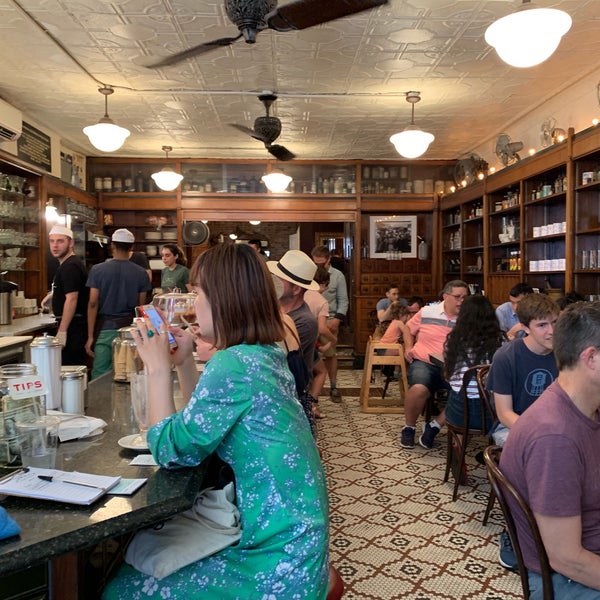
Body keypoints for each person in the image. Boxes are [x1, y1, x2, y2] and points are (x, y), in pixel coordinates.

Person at [103, 243, 329, 599]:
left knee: (122, 589)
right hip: (300, 545)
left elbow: (172, 450)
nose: (194, 305)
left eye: (197, 293)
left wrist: (159, 368)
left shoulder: (234, 363)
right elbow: (202, 428)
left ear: (224, 299)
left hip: (279, 565)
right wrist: (184, 364)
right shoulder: (262, 354)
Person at [500, 301, 600, 599]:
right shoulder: (555, 438)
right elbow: (567, 558)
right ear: (591, 358)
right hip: (569, 577)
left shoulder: (585, 408)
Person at [486, 292, 560, 570]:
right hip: (513, 426)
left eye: (554, 323)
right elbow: (504, 414)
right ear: (525, 327)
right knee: (539, 458)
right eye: (542, 325)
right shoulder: (507, 355)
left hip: (556, 428)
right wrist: (542, 434)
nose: (551, 331)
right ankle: (513, 529)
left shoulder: (564, 353)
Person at [400, 280, 469, 450]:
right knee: (419, 388)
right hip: (425, 361)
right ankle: (409, 427)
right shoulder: (427, 312)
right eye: (457, 297)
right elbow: (408, 328)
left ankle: (434, 426)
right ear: (445, 296)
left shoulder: (468, 317)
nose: (461, 301)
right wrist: (408, 347)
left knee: (465, 392)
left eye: (465, 297)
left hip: (454, 366)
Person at [443, 295, 506, 481]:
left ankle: (458, 447)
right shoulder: (501, 343)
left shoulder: (453, 341)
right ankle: (496, 454)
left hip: (460, 413)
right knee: (506, 407)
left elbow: (449, 377)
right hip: (491, 414)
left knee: (454, 397)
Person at [85, 229, 152, 379]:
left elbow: (93, 303)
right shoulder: (141, 273)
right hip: (130, 332)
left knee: (100, 375)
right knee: (129, 374)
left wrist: (90, 336)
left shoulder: (97, 270)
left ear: (112, 246)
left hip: (105, 329)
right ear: (131, 247)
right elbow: (139, 307)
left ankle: (101, 402)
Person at [268, 250, 319, 436]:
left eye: (279, 280)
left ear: (296, 289)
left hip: (289, 399)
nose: (273, 283)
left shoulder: (304, 321)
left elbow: (275, 355)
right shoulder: (278, 311)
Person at [311, 245, 349, 403]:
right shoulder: (309, 273)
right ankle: (312, 392)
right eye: (316, 263)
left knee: (330, 355)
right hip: (311, 319)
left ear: (329, 260)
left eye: (322, 264)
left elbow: (344, 300)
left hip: (329, 319)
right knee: (310, 356)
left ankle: (333, 386)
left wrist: (337, 319)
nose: (319, 267)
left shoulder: (338, 276)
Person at [47, 224, 88, 365]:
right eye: (52, 241)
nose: (55, 245)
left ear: (70, 243)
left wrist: (63, 331)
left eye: (60, 241)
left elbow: (72, 299)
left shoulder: (70, 266)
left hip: (74, 328)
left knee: (71, 371)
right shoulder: (68, 265)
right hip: (73, 325)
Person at [304, 266, 337, 419]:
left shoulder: (300, 293)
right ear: (323, 284)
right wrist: (333, 338)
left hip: (291, 341)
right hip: (308, 344)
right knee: (321, 372)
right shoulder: (321, 301)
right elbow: (323, 329)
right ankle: (312, 404)